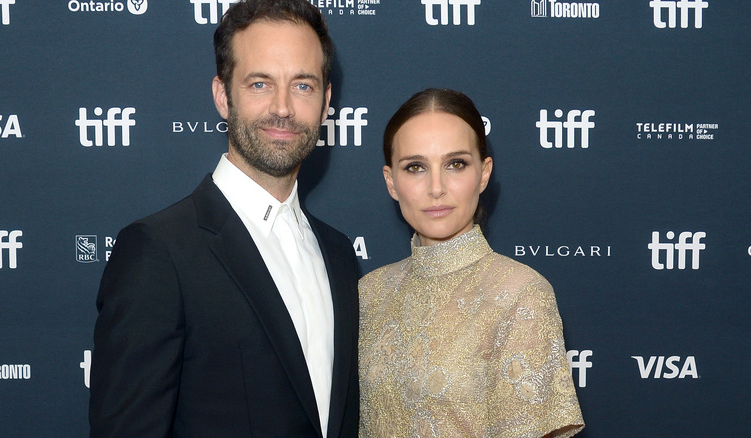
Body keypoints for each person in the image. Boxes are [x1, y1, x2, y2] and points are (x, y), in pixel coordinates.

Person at [88, 1, 359, 437]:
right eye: (259, 83)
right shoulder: (159, 252)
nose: (283, 107)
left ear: (327, 103)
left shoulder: (339, 253)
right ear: (222, 96)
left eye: (303, 85)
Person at [358, 88, 584, 438]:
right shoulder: (369, 292)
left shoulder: (521, 294)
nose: (436, 188)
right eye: (415, 167)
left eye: (456, 164)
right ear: (391, 182)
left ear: (483, 173)